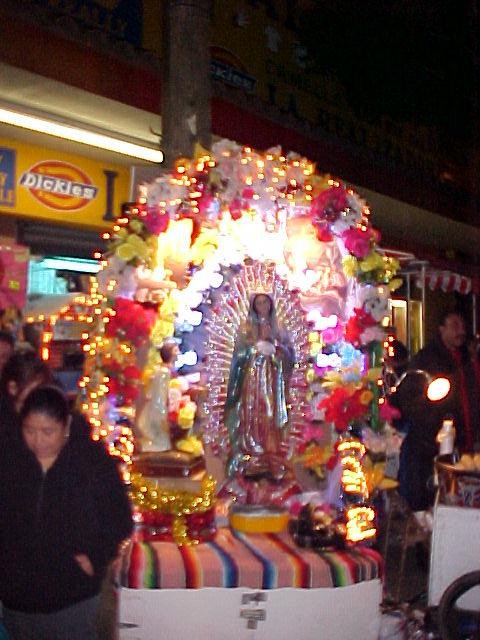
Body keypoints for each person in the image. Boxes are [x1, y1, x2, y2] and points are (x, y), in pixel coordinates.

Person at [0, 385, 133, 640]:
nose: (37, 441)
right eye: (30, 431)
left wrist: (96, 555)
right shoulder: (11, 459)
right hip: (16, 600)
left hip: (72, 598)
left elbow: (119, 517)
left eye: (48, 432)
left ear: (66, 427)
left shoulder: (90, 460)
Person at [396, 310, 480, 511]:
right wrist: (431, 419)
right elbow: (410, 398)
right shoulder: (427, 359)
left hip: (462, 446)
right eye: (454, 325)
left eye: (462, 326)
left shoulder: (466, 360)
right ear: (441, 329)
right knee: (430, 500)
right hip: (430, 447)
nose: (460, 331)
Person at [223, 292, 295, 481]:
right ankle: (252, 454)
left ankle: (270, 453)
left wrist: (276, 350)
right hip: (252, 380)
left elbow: (289, 357)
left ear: (271, 304)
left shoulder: (278, 328)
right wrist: (254, 350)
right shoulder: (247, 329)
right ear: (253, 306)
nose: (262, 306)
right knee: (253, 413)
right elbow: (238, 357)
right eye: (259, 303)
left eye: (265, 302)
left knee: (270, 414)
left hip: (273, 380)